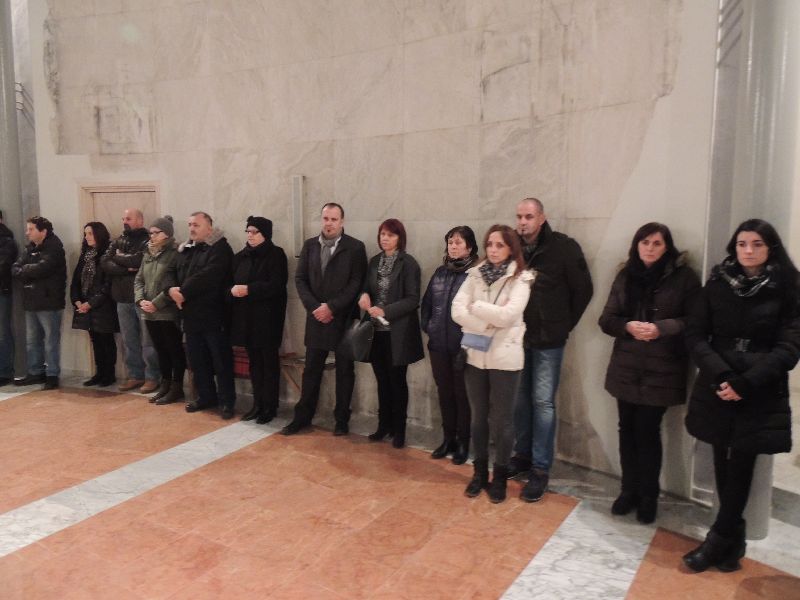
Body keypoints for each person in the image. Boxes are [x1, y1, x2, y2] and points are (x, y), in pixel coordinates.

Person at [682, 219, 800, 573]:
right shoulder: (718, 283)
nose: (748, 250)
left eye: (757, 244)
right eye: (742, 244)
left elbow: (790, 347)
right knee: (721, 455)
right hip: (718, 380)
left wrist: (746, 383)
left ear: (770, 248)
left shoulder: (788, 287)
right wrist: (722, 376)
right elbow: (695, 334)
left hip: (759, 387)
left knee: (743, 461)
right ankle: (733, 541)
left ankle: (719, 537)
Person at [598, 223, 700, 523]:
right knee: (626, 429)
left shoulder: (684, 278)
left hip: (662, 368)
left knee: (648, 431)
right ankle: (628, 490)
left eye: (657, 243)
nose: (650, 248)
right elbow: (607, 319)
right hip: (627, 365)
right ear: (636, 245)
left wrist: (661, 328)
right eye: (645, 242)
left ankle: (648, 496)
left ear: (667, 247)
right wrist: (627, 326)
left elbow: (695, 319)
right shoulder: (625, 275)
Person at [510, 198, 593, 502]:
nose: (523, 222)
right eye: (519, 216)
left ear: (542, 218)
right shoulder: (512, 247)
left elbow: (583, 289)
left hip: (549, 340)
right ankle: (521, 456)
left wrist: (563, 324)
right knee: (520, 401)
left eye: (529, 216)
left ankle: (540, 468)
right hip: (517, 337)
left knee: (543, 402)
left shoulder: (563, 247)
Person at [452, 225, 534, 503]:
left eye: (500, 245)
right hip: (475, 355)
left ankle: (499, 477)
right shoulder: (474, 274)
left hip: (505, 358)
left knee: (503, 421)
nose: (493, 250)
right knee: (478, 418)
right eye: (490, 244)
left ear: (511, 248)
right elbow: (456, 310)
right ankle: (479, 473)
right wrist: (487, 320)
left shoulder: (521, 278)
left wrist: (476, 308)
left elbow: (509, 316)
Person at [282, 203, 367, 436]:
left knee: (344, 371)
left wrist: (332, 307)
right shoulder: (310, 245)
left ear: (342, 221)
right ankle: (302, 417)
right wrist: (315, 308)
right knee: (312, 370)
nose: (329, 223)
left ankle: (341, 420)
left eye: (333, 219)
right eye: (325, 218)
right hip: (316, 318)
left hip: (343, 318)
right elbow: (300, 279)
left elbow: (356, 282)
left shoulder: (355, 247)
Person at [358, 219, 425, 449]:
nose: (385, 238)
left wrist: (385, 310)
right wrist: (364, 296)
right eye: (382, 234)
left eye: (391, 235)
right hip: (375, 331)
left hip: (397, 333)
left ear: (400, 238)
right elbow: (367, 288)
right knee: (382, 381)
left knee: (397, 382)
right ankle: (383, 425)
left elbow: (413, 299)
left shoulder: (408, 263)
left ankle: (399, 429)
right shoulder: (374, 261)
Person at [168, 212, 236, 419]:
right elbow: (172, 270)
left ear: (209, 227)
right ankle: (206, 397)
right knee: (197, 360)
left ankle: (227, 401)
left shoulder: (220, 248)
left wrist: (183, 292)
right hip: (190, 314)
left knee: (220, 361)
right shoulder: (187, 248)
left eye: (196, 225)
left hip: (214, 314)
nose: (191, 228)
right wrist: (171, 289)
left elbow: (208, 275)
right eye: (190, 224)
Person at [421, 225, 478, 463]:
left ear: (469, 247)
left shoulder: (475, 275)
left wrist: (468, 342)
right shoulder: (440, 272)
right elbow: (427, 304)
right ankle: (448, 439)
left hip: (462, 347)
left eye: (458, 242)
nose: (453, 247)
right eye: (450, 242)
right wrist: (429, 327)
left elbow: (478, 313)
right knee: (444, 394)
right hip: (438, 346)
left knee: (462, 397)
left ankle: (463, 443)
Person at [230, 216, 288, 424]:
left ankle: (270, 406)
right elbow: (231, 281)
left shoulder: (276, 255)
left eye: (255, 232)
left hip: (268, 319)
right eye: (248, 231)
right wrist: (232, 290)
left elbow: (277, 285)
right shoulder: (241, 256)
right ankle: (257, 403)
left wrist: (249, 289)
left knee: (268, 363)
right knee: (254, 363)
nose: (250, 235)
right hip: (246, 319)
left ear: (266, 234)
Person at [101, 208, 160, 393]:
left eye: (128, 218)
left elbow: (139, 261)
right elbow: (105, 262)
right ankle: (135, 375)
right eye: (123, 218)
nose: (124, 221)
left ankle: (152, 377)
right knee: (129, 340)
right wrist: (125, 268)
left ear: (140, 220)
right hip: (122, 298)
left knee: (148, 341)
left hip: (142, 298)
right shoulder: (118, 240)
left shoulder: (147, 240)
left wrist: (118, 258)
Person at [134, 216, 186, 405]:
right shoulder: (148, 252)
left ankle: (177, 387)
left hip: (167, 310)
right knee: (160, 350)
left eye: (157, 232)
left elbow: (175, 283)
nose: (153, 236)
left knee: (174, 349)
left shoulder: (175, 253)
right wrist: (141, 300)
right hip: (148, 311)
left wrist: (156, 302)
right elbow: (139, 279)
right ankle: (165, 384)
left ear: (167, 234)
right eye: (151, 233)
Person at [12, 216, 67, 390]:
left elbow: (42, 268)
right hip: (30, 300)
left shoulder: (54, 248)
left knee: (51, 341)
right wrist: (27, 270)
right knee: (32, 340)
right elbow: (15, 268)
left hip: (49, 301)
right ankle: (35, 372)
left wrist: (25, 270)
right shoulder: (29, 248)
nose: (27, 233)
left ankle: (52, 375)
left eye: (31, 229)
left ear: (43, 231)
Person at [70, 222, 119, 386]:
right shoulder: (85, 254)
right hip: (86, 304)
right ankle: (99, 372)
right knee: (95, 340)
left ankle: (109, 374)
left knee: (106, 340)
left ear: (99, 234)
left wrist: (91, 303)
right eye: (85, 234)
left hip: (103, 306)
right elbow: (76, 280)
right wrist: (77, 300)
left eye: (90, 233)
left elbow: (107, 285)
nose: (87, 237)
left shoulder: (107, 254)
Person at [0, 213, 18, 386]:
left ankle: (4, 372)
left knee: (2, 332)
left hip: (2, 291)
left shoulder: (7, 241)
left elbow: (4, 265)